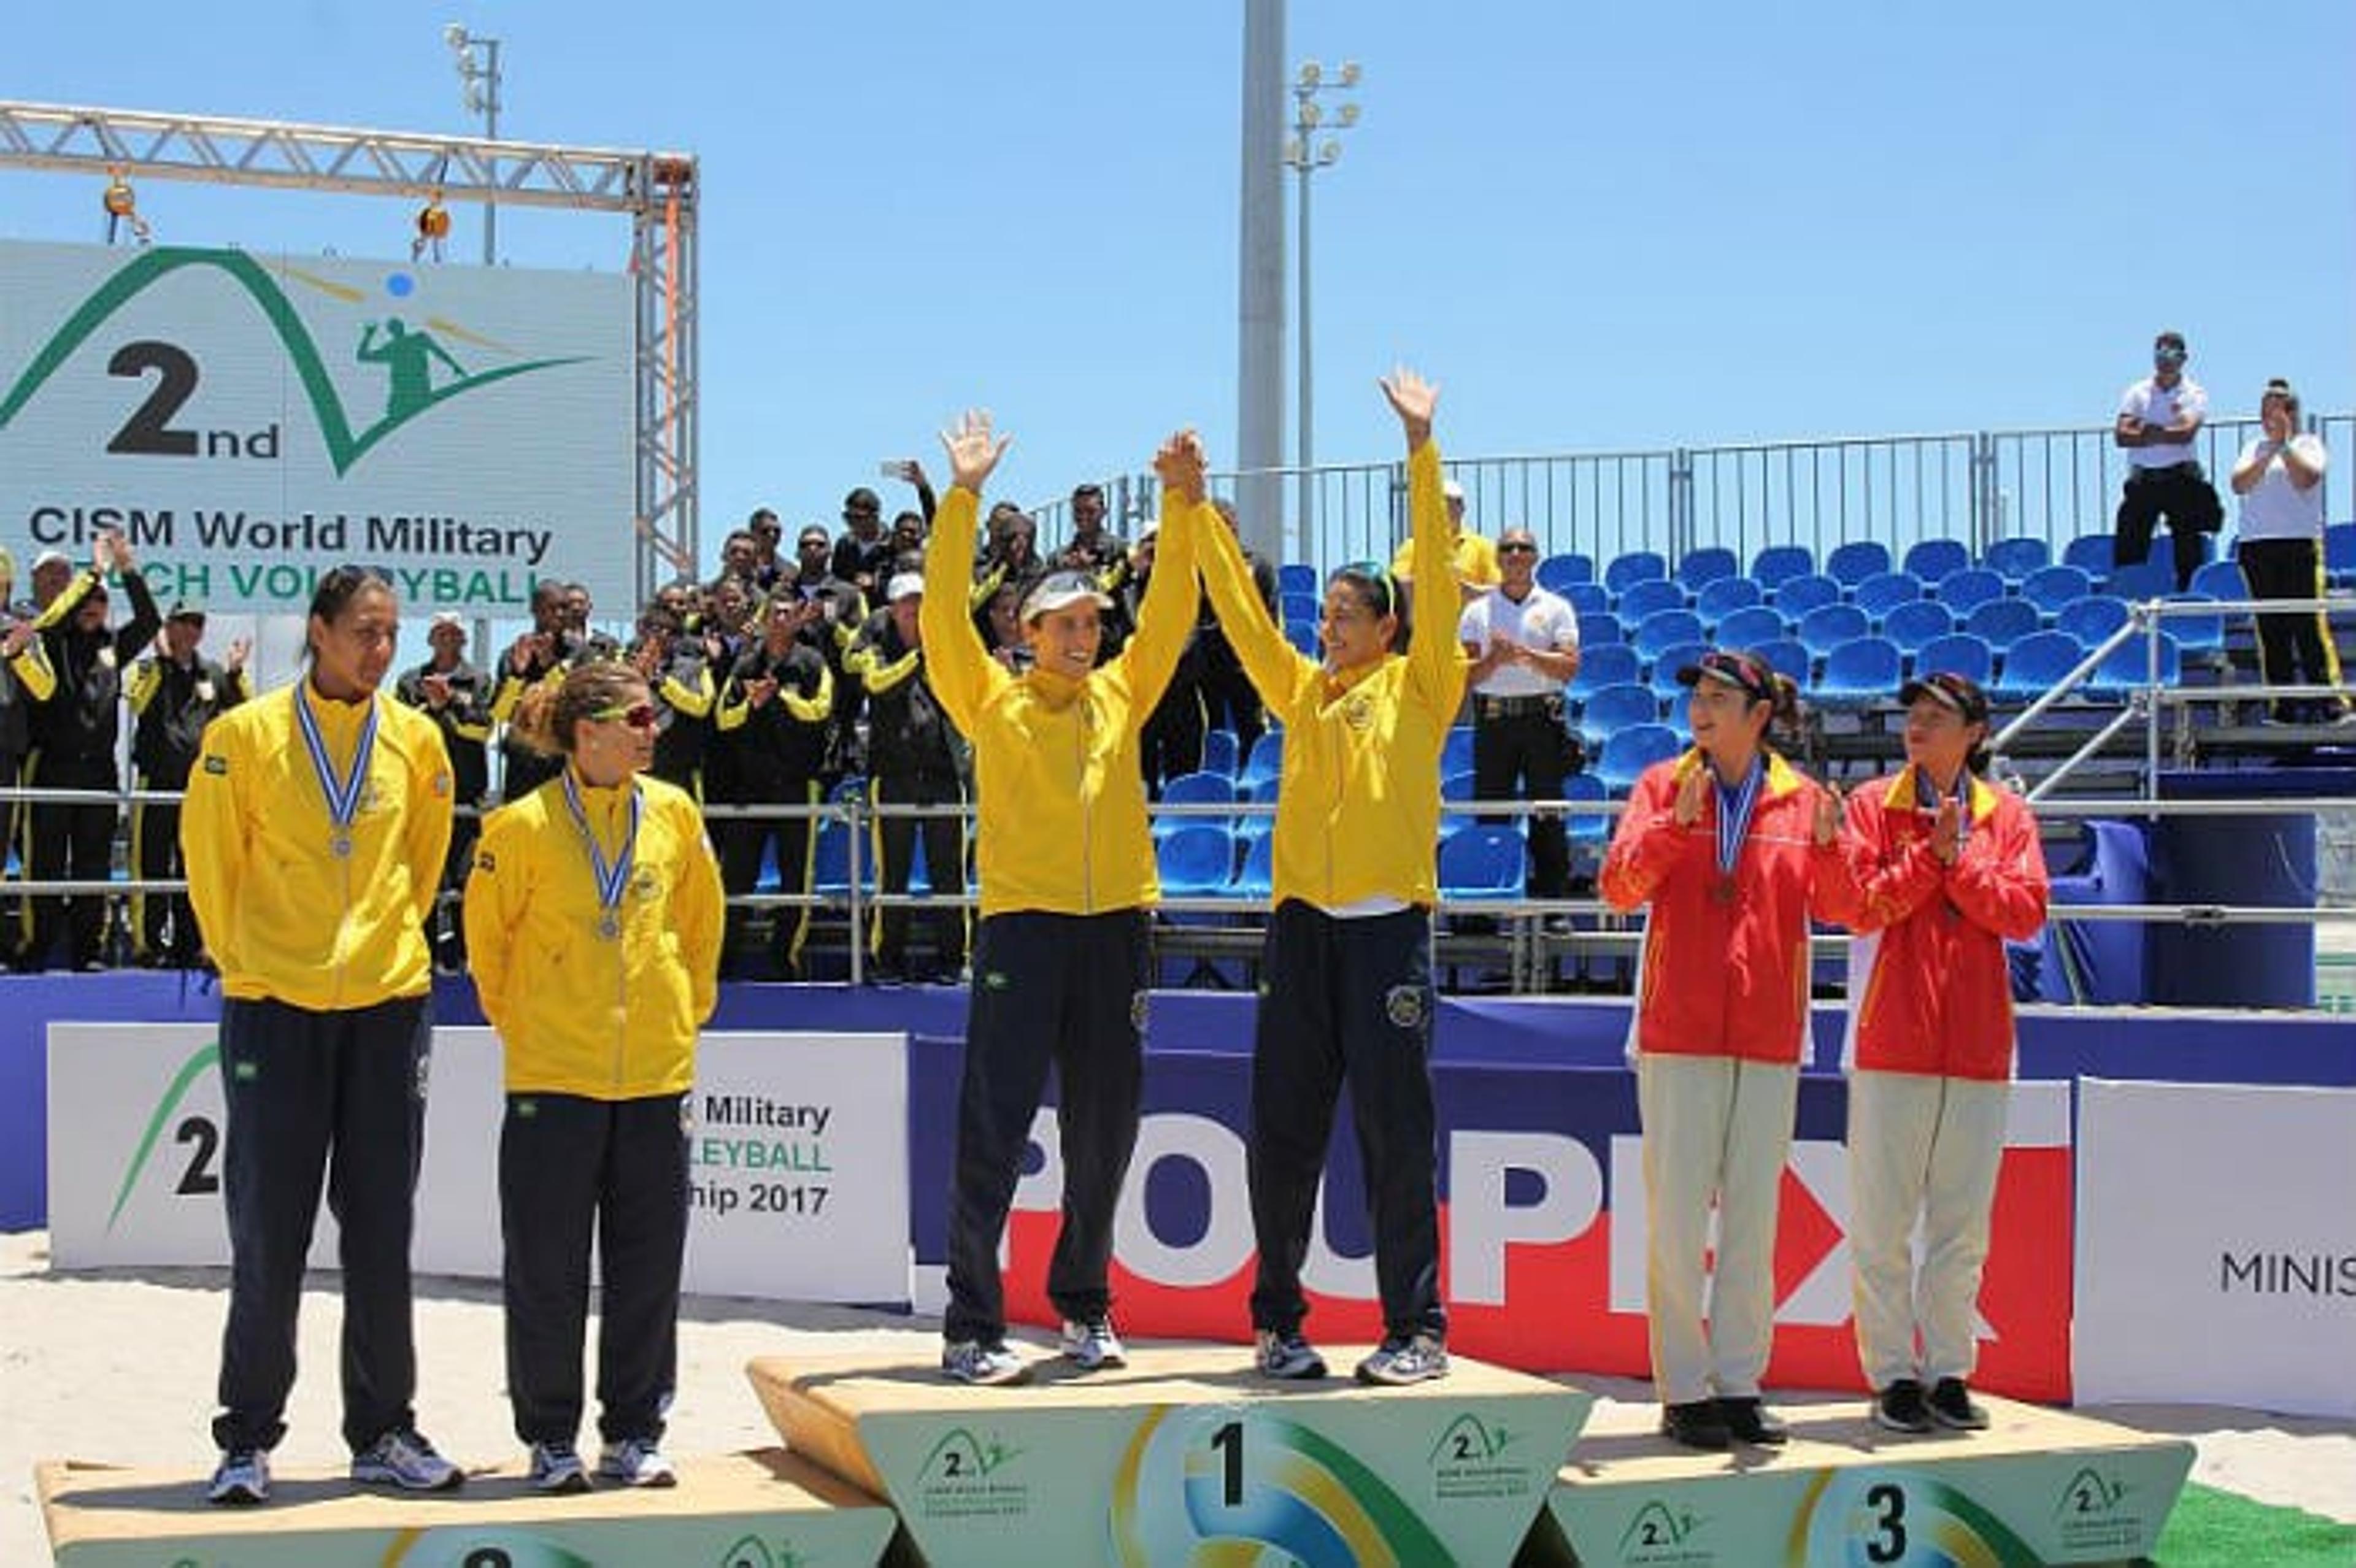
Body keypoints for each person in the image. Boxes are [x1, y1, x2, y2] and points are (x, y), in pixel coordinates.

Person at [1193, 369, 1464, 1388]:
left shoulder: (1422, 683)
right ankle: (1279, 1323)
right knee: (1284, 1134)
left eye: (1349, 614)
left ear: (1388, 626)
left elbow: (1436, 582)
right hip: (1303, 932)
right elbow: (1247, 620)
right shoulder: (1304, 692)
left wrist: (1421, 447)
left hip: (1387, 929)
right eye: (1329, 613)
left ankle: (1416, 1328)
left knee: (1396, 1136)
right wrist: (1198, 509)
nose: (1330, 626)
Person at [921, 412, 1198, 1386]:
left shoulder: (1123, 696)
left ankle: (1085, 1310)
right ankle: (971, 1326)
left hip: (1118, 927)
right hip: (1023, 930)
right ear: (1026, 631)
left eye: (1092, 623)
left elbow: (1167, 616)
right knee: (993, 1126)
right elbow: (938, 616)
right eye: (1066, 624)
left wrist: (1181, 502)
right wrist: (961, 498)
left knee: (1104, 1130)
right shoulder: (989, 700)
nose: (1085, 636)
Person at [180, 566, 460, 1505]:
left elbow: (421, 868)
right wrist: (250, 963)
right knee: (271, 1231)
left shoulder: (417, 741)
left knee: (382, 1229)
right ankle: (247, 1438)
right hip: (275, 1006)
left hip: (386, 1006)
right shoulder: (244, 736)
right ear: (320, 631)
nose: (382, 650)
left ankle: (383, 1430)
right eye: (365, 633)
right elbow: (210, 863)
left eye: (392, 634)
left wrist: (383, 952)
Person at [466, 661, 725, 1492]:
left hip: (654, 1076)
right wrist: (537, 1032)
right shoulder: (520, 827)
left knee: (648, 1269)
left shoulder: (676, 815)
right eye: (641, 718)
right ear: (590, 733)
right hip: (554, 1080)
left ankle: (634, 1432)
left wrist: (680, 1016)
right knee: (547, 1266)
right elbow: (488, 950)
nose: (655, 731)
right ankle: (549, 1438)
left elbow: (701, 927)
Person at [1598, 647, 1857, 1451]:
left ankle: (1740, 1381)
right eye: (1696, 699)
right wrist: (1675, 830)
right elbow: (1617, 888)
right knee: (1677, 1218)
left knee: (1754, 1216)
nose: (1701, 712)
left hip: (1769, 1033)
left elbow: (1848, 907)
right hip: (1679, 1029)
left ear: (1759, 715)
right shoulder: (1660, 786)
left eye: (1718, 698)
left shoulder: (1803, 800)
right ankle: (1683, 1388)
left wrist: (1830, 848)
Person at [1838, 671, 2049, 1435]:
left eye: (1936, 717)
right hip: (1890, 1038)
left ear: (1975, 734)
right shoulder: (1870, 807)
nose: (1917, 727)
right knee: (1883, 1223)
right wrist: (1929, 860)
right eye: (1912, 717)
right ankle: (1892, 1374)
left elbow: (2026, 914)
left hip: (1981, 1045)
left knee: (1963, 1226)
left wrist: (1959, 862)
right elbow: (1856, 904)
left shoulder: (2009, 816)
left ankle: (1950, 1372)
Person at [28, 531, 161, 970]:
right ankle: (40, 947)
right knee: (45, 862)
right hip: (53, 767)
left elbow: (149, 621)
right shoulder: (55, 640)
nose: (93, 609)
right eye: (87, 601)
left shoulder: (112, 648)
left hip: (99, 774)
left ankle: (88, 950)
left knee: (93, 866)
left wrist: (127, 570)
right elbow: (51, 621)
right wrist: (95, 571)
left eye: (101, 603)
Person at [847, 571, 969, 985]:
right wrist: (918, 660)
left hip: (943, 775)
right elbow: (876, 685)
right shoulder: (874, 647)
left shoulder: (950, 647)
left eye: (920, 601)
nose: (914, 609)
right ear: (892, 608)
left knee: (948, 873)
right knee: (892, 875)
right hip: (892, 776)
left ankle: (954, 960)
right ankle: (887, 961)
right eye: (906, 603)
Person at [1460, 526, 1583, 912]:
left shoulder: (1556, 607)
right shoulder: (1477, 611)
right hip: (1494, 720)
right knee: (1491, 814)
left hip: (1541, 718)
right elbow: (1465, 675)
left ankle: (1553, 907)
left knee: (1548, 813)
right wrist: (1495, 660)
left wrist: (1525, 655)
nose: (1515, 554)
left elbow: (1568, 668)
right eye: (1507, 548)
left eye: (1523, 548)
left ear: (1535, 556)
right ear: (1497, 558)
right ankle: (1488, 908)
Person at [712, 594, 834, 978]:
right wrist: (752, 705)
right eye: (774, 614)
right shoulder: (745, 665)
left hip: (798, 788)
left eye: (787, 613)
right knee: (737, 878)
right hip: (750, 790)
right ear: (763, 621)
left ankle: (785, 959)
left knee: (796, 879)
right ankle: (725, 960)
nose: (780, 619)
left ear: (798, 620)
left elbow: (820, 711)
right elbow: (722, 720)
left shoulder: (813, 663)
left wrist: (778, 696)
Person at [128, 601, 252, 966]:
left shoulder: (210, 672)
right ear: (167, 627)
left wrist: (234, 673)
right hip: (156, 781)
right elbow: (137, 702)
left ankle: (193, 944)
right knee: (150, 865)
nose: (191, 629)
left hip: (199, 786)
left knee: (196, 868)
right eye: (183, 622)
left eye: (197, 622)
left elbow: (245, 712)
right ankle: (146, 945)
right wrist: (165, 664)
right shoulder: (148, 668)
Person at [2230, 379, 2346, 723]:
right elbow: (2239, 483)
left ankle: (2328, 701)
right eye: (2265, 411)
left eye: (2277, 410)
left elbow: (2307, 478)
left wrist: (2285, 447)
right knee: (2272, 629)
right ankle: (2284, 705)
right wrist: (2268, 453)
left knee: (2307, 624)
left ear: (2292, 413)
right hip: (2257, 546)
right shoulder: (2253, 448)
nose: (2269, 417)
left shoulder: (2308, 444)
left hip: (2297, 544)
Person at [395, 612, 493, 967]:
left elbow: (483, 727)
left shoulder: (479, 680)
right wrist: (431, 705)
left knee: (467, 881)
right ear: (430, 639)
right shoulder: (409, 681)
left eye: (455, 634)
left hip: (466, 796)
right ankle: (424, 958)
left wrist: (448, 704)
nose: (448, 640)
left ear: (464, 640)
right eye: (441, 634)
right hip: (421, 796)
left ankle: (465, 958)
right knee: (425, 879)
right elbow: (403, 730)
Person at [2112, 329, 2223, 591]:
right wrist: (2166, 431)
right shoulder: (2137, 392)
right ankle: (2131, 601)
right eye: (2159, 352)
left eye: (2171, 353)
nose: (2164, 359)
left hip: (2180, 478)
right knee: (2129, 542)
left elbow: (2185, 433)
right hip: (2144, 479)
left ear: (2184, 358)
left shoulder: (2193, 393)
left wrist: (2148, 430)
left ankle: (2188, 601)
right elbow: (2122, 435)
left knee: (2188, 545)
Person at [1388, 475, 1499, 612]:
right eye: (1439, 503)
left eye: (1452, 503)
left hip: (1468, 630)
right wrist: (1432, 582)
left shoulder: (1483, 547)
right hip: (1427, 630)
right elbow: (1395, 586)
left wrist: (1466, 591)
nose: (1445, 509)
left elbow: (1500, 592)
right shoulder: (1412, 546)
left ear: (1463, 508)